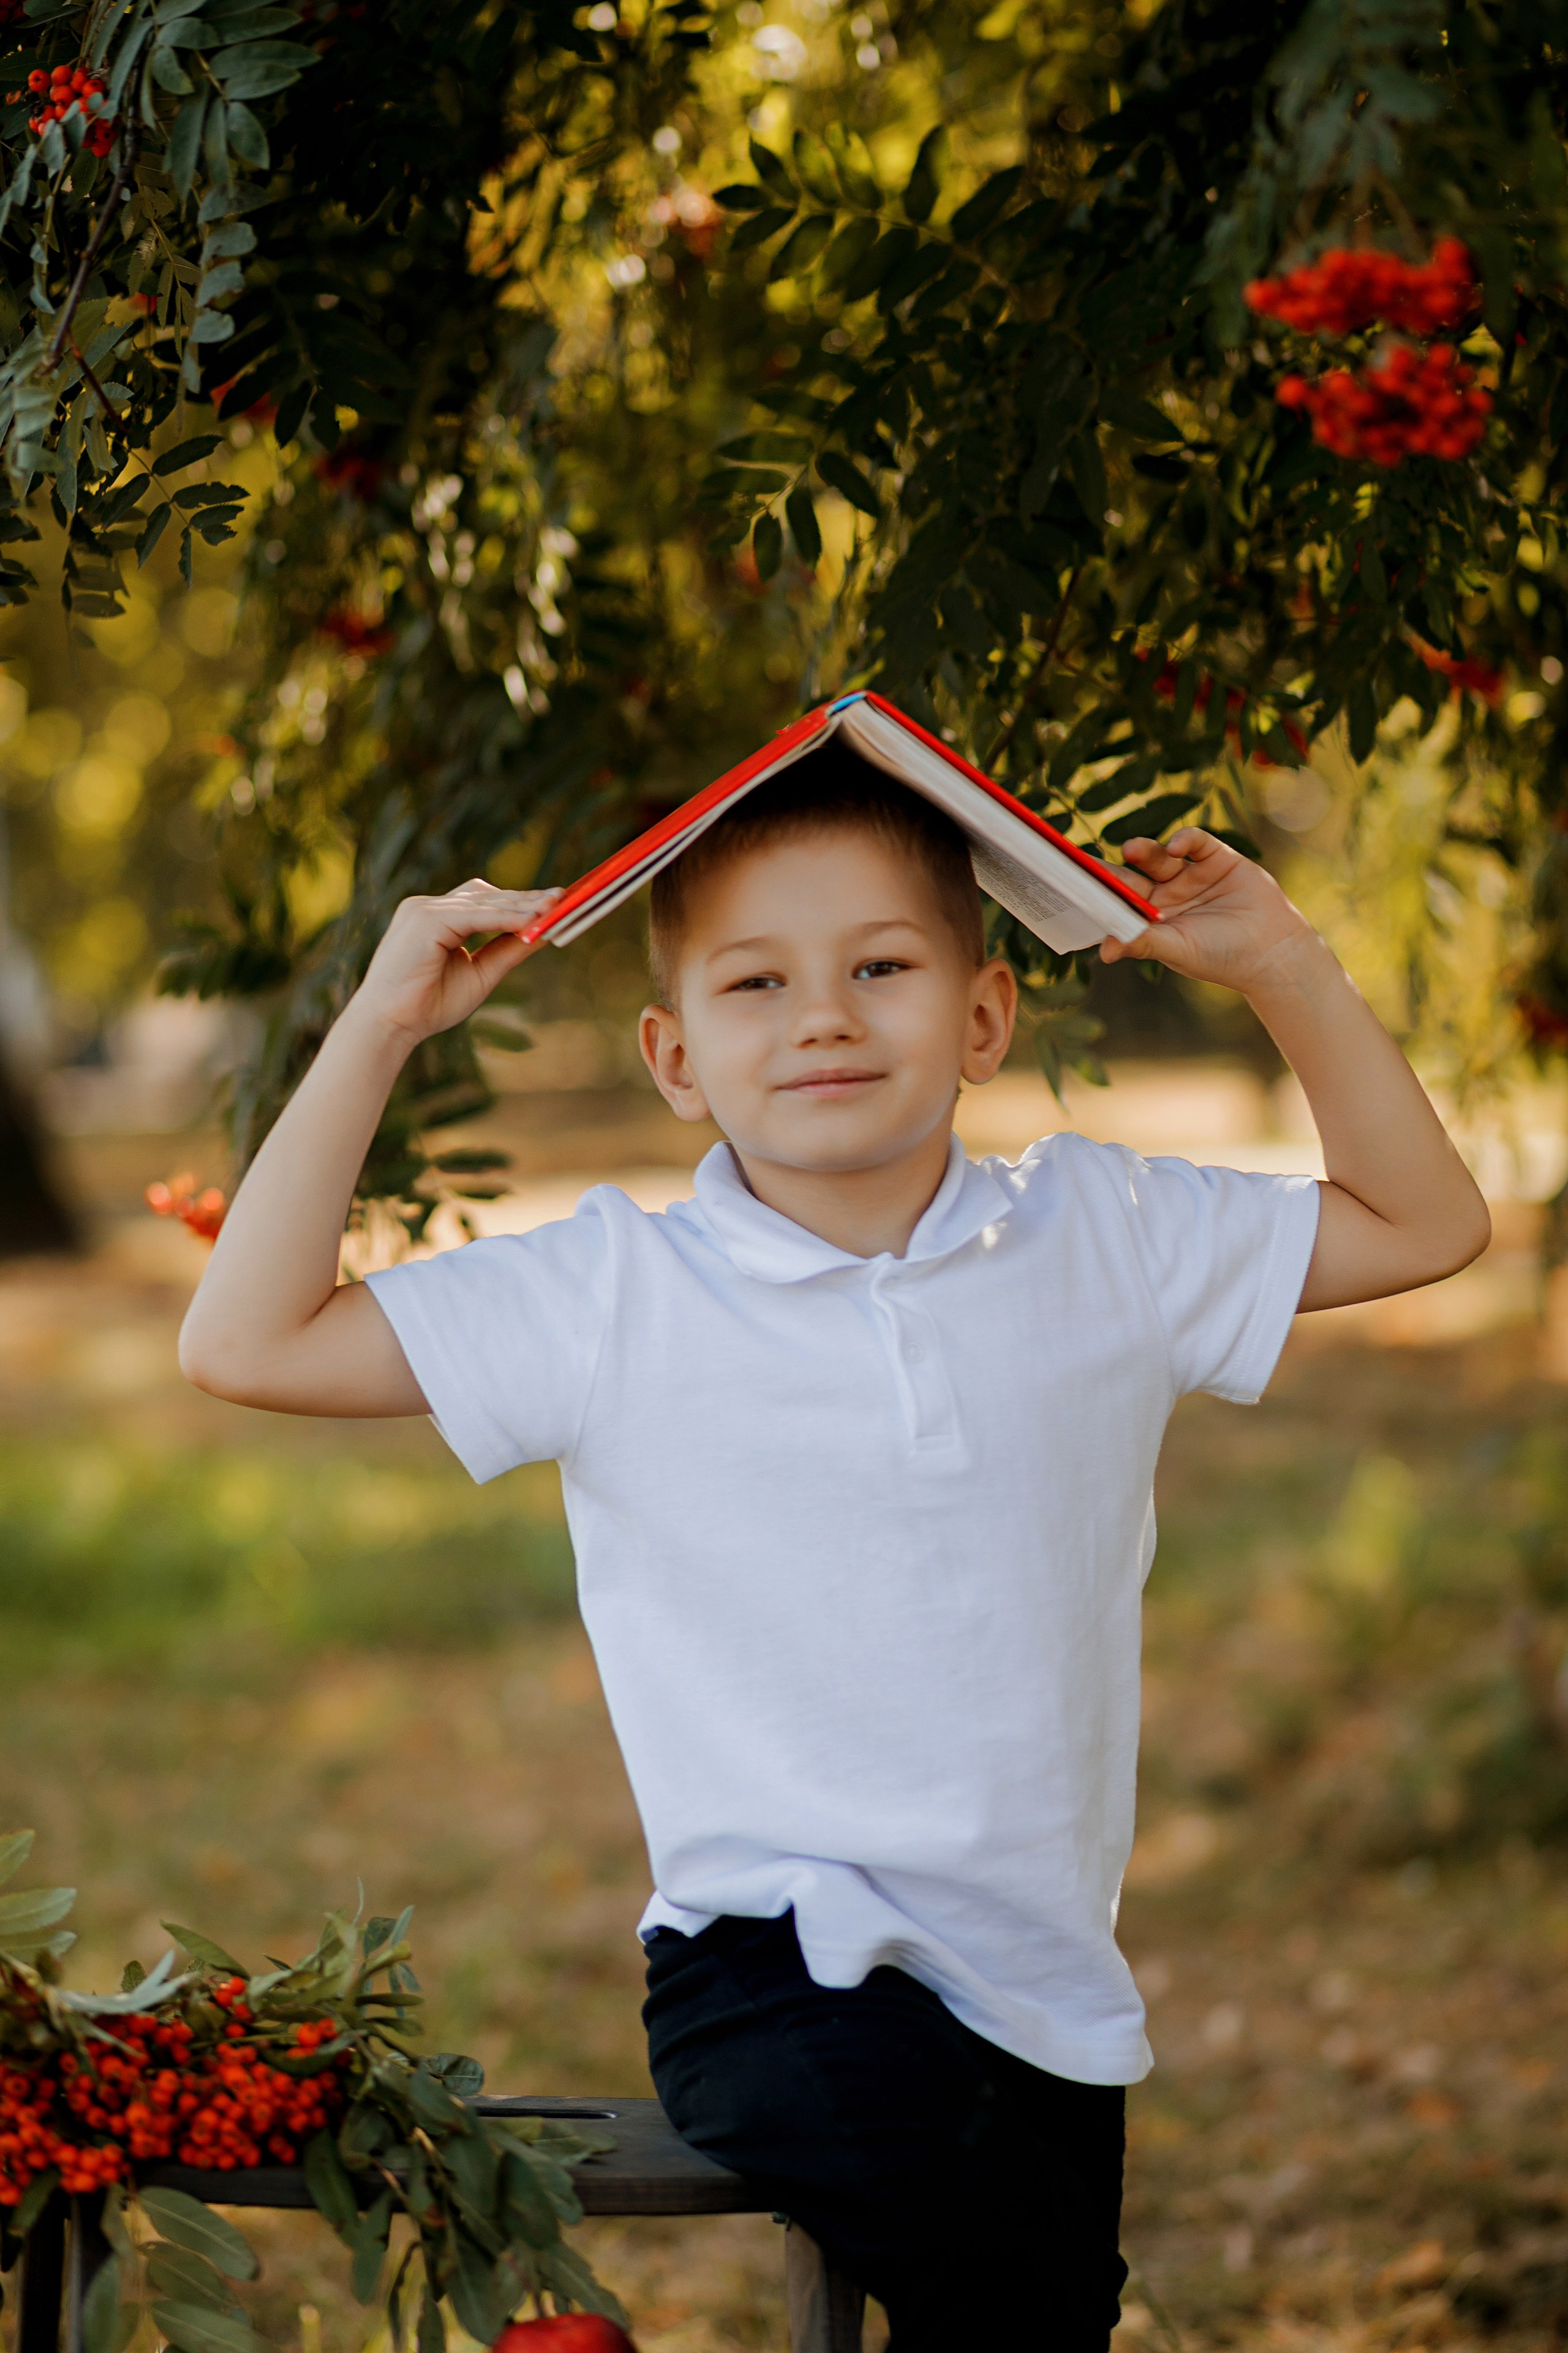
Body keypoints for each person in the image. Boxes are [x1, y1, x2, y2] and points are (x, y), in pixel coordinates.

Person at [179, 751, 1489, 2352]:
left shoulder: (1111, 1236)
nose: (823, 1017)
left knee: (1036, 2315)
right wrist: (384, 1022)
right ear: (674, 1056)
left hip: (1046, 1987)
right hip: (770, 1967)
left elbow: (1427, 1223)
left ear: (986, 1017)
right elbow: (246, 1340)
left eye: (881, 967)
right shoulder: (615, 1296)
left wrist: (1284, 962)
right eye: (757, 981)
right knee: (1023, 2307)